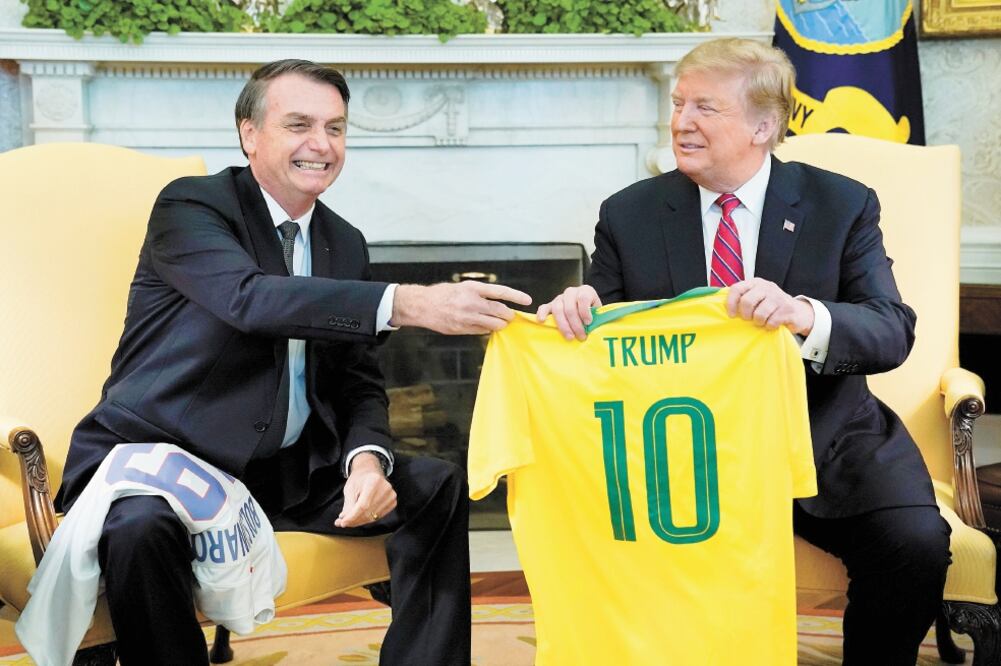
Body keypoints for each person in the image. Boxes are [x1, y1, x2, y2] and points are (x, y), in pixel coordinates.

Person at [54, 59, 531, 666]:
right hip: (160, 464)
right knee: (139, 530)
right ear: (249, 133)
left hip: (280, 471)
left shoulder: (345, 241)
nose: (321, 145)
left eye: (335, 128)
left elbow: (357, 378)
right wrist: (407, 302)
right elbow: (248, 299)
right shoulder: (191, 207)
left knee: (434, 485)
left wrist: (365, 461)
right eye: (299, 124)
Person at [537, 38, 950, 665]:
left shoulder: (841, 205)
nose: (681, 123)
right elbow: (604, 335)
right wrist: (574, 315)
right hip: (681, 455)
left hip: (823, 438)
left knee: (915, 541)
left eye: (705, 107)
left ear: (764, 125)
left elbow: (890, 329)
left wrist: (802, 314)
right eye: (678, 104)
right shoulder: (629, 214)